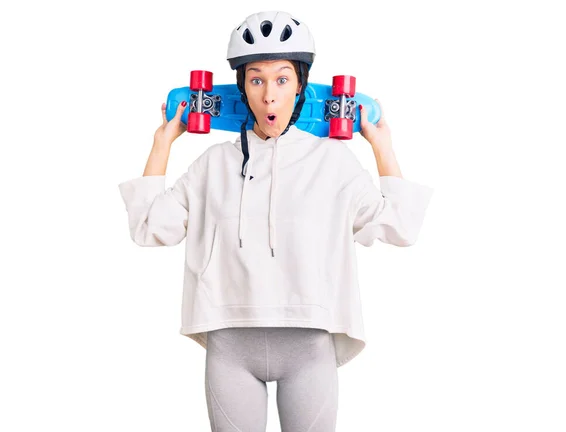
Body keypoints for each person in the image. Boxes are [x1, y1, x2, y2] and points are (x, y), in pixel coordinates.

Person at [118, 10, 434, 431]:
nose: (269, 96)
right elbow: (150, 227)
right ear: (243, 89)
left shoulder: (333, 162)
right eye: (256, 79)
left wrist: (382, 147)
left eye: (282, 79)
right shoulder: (212, 165)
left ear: (301, 86)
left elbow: (400, 226)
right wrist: (161, 145)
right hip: (231, 342)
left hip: (310, 346)